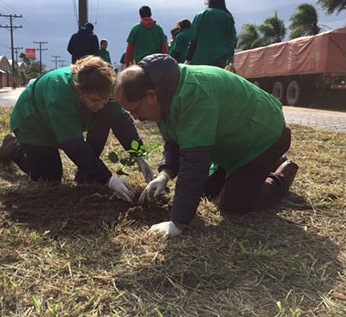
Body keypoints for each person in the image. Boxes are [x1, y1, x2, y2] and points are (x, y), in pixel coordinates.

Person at [115, 54, 299, 237]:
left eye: (135, 110)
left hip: (265, 137)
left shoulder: (195, 95)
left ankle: (281, 174)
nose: (136, 118)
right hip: (235, 142)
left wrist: (178, 222)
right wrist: (165, 173)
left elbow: (195, 163)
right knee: (204, 190)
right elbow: (174, 140)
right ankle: (263, 165)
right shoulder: (164, 90)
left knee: (232, 203)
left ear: (151, 96)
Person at [0, 55, 154, 203]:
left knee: (106, 114)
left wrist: (139, 155)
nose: (100, 105)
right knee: (49, 177)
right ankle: (13, 146)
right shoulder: (59, 92)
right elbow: (74, 146)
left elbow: (121, 122)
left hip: (63, 119)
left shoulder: (106, 87)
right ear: (79, 91)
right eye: (94, 100)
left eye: (105, 99)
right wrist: (108, 179)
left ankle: (86, 174)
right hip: (34, 124)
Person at [186, 0, 237, 68]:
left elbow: (193, 39)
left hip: (200, 59)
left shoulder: (201, 15)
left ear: (210, 1)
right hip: (220, 59)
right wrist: (231, 61)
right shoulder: (227, 17)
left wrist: (188, 59)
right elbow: (232, 41)